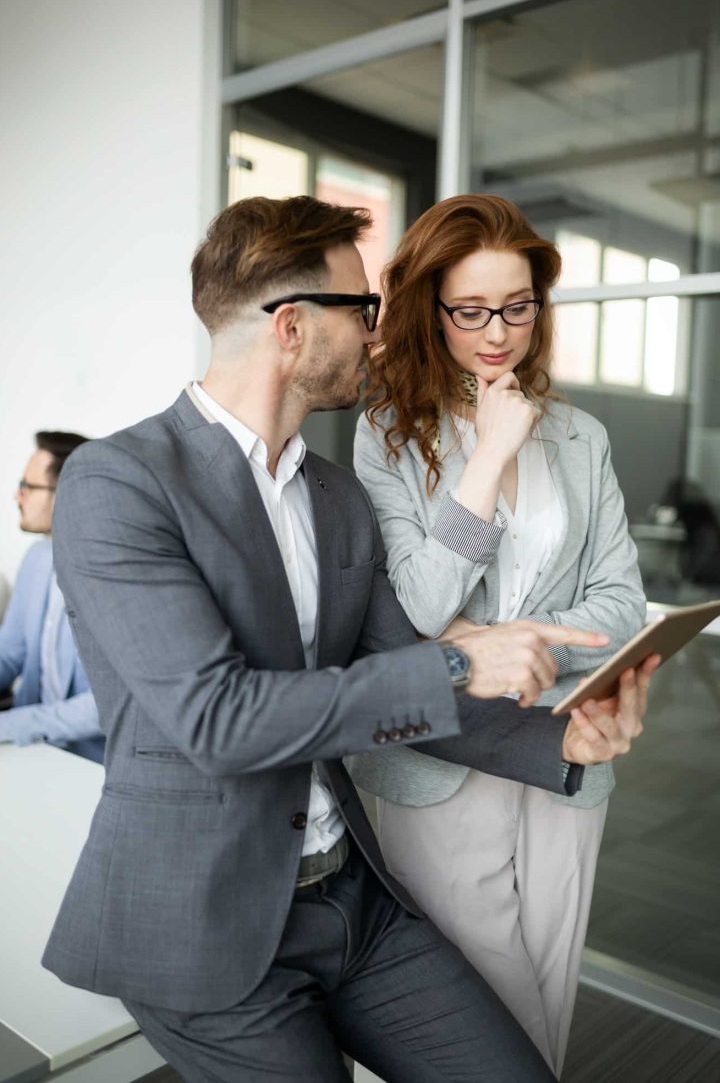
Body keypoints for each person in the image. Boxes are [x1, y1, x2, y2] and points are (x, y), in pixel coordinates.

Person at [42, 196, 657, 1083]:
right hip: (207, 928)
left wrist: (563, 737)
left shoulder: (335, 497)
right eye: (361, 310)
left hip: (355, 902)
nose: (380, 334)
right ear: (292, 327)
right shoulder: (118, 482)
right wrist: (456, 656)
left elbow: (394, 681)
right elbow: (218, 718)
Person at [349, 193, 647, 1076]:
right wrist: (485, 455)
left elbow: (621, 599)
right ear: (429, 310)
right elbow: (419, 606)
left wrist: (505, 645)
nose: (498, 333)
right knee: (476, 999)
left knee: (550, 982)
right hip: (443, 753)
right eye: (471, 311)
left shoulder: (581, 436)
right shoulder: (385, 437)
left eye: (517, 308)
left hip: (566, 742)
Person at [0, 432, 104, 763]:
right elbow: (10, 654)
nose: (17, 496)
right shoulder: (37, 557)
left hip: (89, 762)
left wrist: (11, 725)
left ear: (65, 494)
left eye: (27, 486)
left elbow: (107, 705)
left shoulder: (114, 574)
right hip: (27, 748)